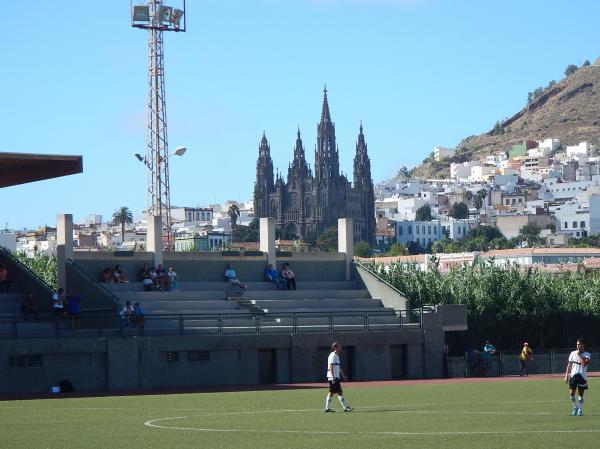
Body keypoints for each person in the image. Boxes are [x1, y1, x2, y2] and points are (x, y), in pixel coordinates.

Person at [324, 341, 353, 412]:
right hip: (333, 377)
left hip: (335, 377)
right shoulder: (333, 355)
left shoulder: (336, 356)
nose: (341, 347)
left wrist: (343, 375)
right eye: (339, 346)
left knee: (332, 392)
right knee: (338, 392)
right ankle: (345, 408)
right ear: (335, 347)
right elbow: (330, 366)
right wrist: (333, 377)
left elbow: (338, 367)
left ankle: (328, 408)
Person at [565, 338, 591, 416]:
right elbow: (569, 365)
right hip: (573, 376)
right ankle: (575, 407)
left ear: (583, 345)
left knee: (581, 395)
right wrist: (566, 375)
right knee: (571, 394)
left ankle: (580, 409)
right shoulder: (572, 353)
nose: (578, 346)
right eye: (577, 344)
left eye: (579, 344)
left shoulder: (587, 354)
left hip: (582, 377)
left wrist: (579, 355)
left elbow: (584, 364)